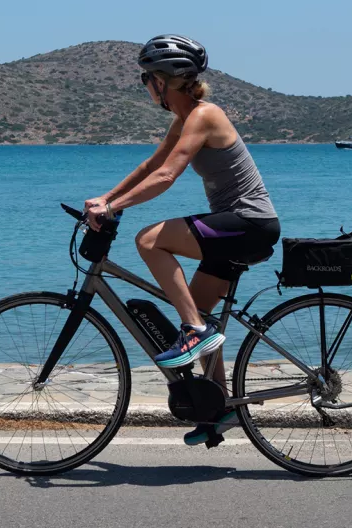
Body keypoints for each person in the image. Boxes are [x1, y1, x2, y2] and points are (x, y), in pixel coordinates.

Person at [85, 35, 280, 445]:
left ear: (163, 80)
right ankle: (223, 408)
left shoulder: (205, 115)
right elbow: (149, 165)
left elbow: (166, 176)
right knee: (204, 317)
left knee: (150, 240)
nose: (145, 86)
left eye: (146, 78)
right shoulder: (185, 118)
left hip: (249, 223)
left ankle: (193, 330)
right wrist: (107, 199)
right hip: (239, 226)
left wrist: (116, 208)